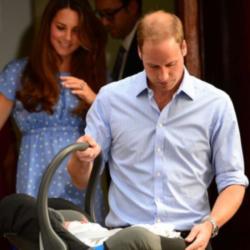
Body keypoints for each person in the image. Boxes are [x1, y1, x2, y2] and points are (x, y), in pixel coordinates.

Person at [0, 10, 248, 250]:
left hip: (190, 240)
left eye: (170, 64)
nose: (163, 76)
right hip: (125, 241)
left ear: (184, 47)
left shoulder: (216, 103)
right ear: (139, 52)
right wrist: (82, 158)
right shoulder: (111, 99)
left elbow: (233, 182)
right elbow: (80, 179)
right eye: (153, 66)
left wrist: (211, 224)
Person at [0, 0, 107, 218]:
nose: (67, 38)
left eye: (76, 31)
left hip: (82, 174)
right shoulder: (18, 72)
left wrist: (94, 99)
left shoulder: (94, 74)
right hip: (35, 174)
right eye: (61, 27)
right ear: (47, 25)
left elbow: (120, 131)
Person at [94, 0, 144, 80]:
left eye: (109, 13)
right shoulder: (127, 44)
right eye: (100, 15)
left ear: (132, 7)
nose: (104, 23)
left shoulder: (146, 46)